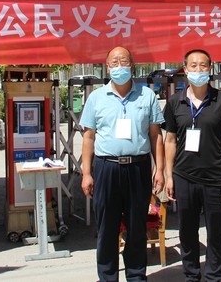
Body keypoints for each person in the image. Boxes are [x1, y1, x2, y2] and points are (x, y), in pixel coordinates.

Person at [80, 46, 165, 282]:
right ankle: (107, 277)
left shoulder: (147, 96)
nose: (119, 66)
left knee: (137, 227)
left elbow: (156, 135)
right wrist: (86, 173)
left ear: (132, 66)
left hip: (138, 168)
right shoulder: (96, 98)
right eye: (114, 62)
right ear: (107, 68)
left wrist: (160, 169)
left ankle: (136, 276)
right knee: (107, 228)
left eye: (124, 61)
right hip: (106, 168)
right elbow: (88, 137)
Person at [163, 49, 221, 281]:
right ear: (185, 70)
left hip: (215, 177)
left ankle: (214, 276)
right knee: (187, 232)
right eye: (193, 66)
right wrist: (169, 176)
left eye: (203, 65)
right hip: (184, 176)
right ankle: (192, 275)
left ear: (211, 69)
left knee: (216, 232)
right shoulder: (175, 102)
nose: (198, 70)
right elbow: (170, 140)